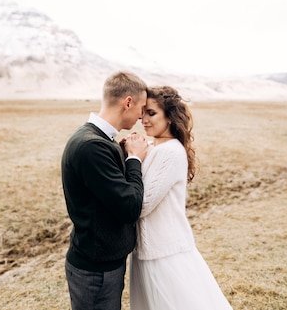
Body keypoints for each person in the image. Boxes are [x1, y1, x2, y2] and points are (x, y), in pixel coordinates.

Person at [129, 85, 233, 310]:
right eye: (143, 112)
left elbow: (142, 204)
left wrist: (133, 160)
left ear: (170, 117)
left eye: (152, 113)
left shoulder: (171, 152)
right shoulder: (152, 146)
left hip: (165, 252)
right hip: (146, 250)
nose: (143, 119)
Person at [61, 71, 149, 310]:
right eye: (141, 108)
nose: (142, 118)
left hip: (99, 263)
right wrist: (134, 160)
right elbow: (129, 207)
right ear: (128, 103)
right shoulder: (93, 146)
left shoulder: (99, 140)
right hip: (96, 270)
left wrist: (120, 153)